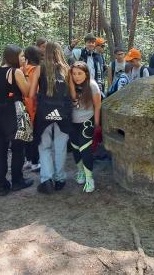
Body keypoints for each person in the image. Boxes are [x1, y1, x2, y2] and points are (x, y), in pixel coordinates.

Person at [0, 45, 34, 196]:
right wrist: (25, 75)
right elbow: (27, 92)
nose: (23, 59)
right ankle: (17, 181)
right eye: (21, 56)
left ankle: (2, 185)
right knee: (17, 148)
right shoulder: (16, 72)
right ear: (13, 57)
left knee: (0, 150)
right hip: (14, 111)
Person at [31, 42, 72, 194]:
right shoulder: (67, 69)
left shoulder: (38, 69)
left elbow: (30, 93)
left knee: (44, 147)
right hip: (64, 114)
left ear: (45, 53)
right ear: (60, 52)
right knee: (61, 148)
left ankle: (46, 179)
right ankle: (60, 178)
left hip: (44, 114)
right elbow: (72, 94)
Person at [68, 62, 102, 193]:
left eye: (80, 73)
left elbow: (98, 106)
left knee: (85, 149)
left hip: (87, 122)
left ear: (86, 73)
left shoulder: (92, 86)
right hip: (72, 122)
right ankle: (81, 172)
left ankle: (89, 178)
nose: (77, 77)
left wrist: (97, 124)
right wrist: (70, 82)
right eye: (74, 74)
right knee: (75, 148)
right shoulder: (70, 85)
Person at [22, 46, 42, 172]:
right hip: (34, 104)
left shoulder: (22, 69)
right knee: (35, 135)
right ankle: (35, 162)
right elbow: (37, 89)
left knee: (26, 134)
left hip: (23, 104)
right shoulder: (37, 70)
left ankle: (28, 160)